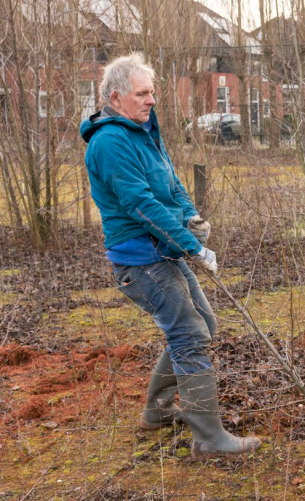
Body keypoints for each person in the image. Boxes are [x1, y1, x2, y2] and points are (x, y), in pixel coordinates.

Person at [80, 53, 261, 457]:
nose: (151, 100)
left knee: (204, 324)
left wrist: (190, 215)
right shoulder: (110, 142)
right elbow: (140, 203)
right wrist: (191, 245)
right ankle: (210, 440)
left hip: (161, 250)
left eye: (152, 92)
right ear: (116, 97)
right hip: (140, 260)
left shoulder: (141, 131)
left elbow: (170, 181)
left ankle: (158, 412)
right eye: (142, 93)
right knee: (188, 335)